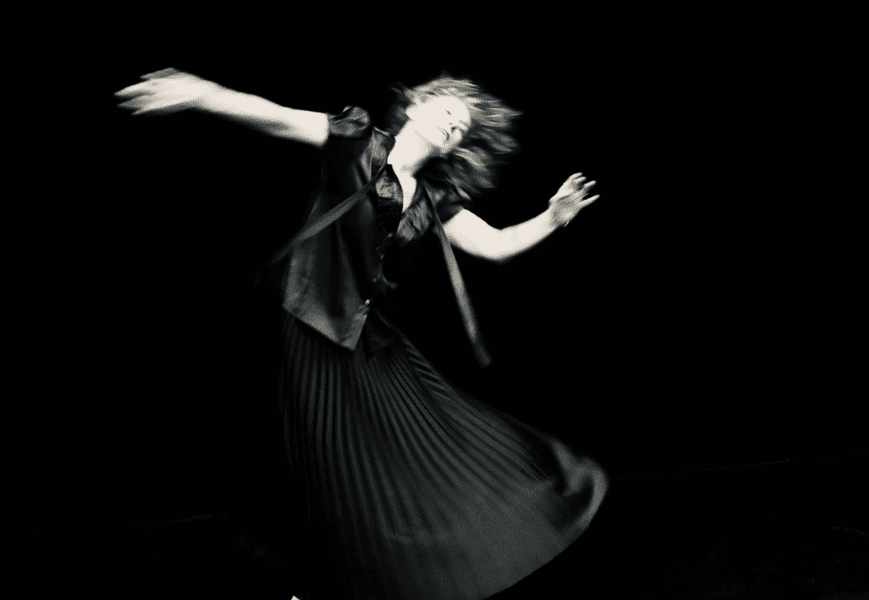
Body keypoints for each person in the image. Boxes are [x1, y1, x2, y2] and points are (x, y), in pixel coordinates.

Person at [115, 67, 608, 600]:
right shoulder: (356, 141)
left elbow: (495, 245)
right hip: (309, 321)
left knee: (431, 435)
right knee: (328, 458)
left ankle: (436, 550)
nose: (452, 125)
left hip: (375, 339)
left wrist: (553, 217)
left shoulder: (435, 196)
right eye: (447, 111)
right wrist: (199, 94)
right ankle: (322, 577)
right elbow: (273, 117)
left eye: (461, 128)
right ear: (414, 105)